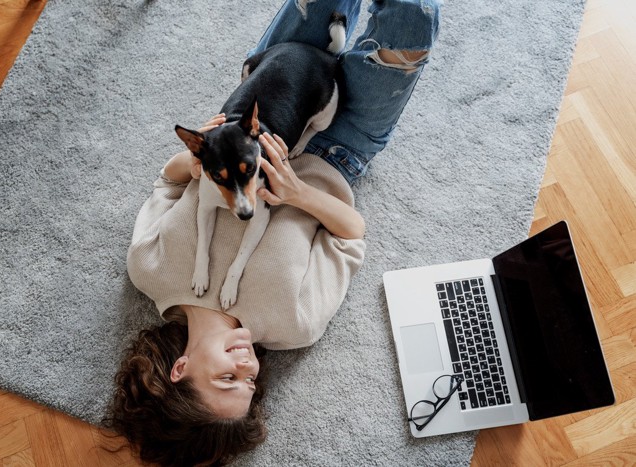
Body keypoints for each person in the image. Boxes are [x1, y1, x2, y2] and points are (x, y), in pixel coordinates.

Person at [105, 0, 442, 465]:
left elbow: (168, 181)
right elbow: (351, 236)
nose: (249, 367)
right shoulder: (293, 324)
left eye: (228, 377)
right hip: (341, 147)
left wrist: (202, 156)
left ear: (181, 369)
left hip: (273, 97)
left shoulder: (149, 269)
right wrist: (297, 192)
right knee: (413, 15)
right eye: (250, 383)